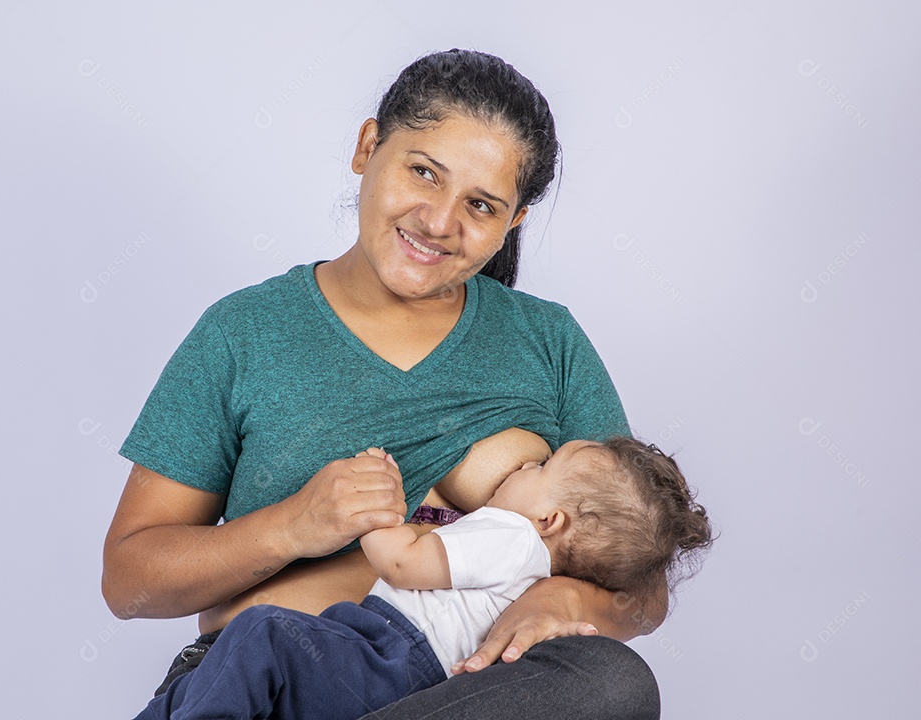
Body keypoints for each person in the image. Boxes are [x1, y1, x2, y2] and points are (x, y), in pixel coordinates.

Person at [104, 48, 670, 719]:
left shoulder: (548, 342)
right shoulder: (244, 332)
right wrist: (292, 526)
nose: (438, 222)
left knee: (614, 682)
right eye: (424, 172)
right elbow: (129, 582)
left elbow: (642, 575)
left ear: (513, 220)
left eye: (482, 205)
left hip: (466, 691)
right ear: (368, 146)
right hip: (273, 685)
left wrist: (574, 599)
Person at [128, 438, 713, 720]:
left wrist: (377, 507)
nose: (530, 465)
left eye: (541, 466)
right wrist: (292, 524)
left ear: (551, 520)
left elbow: (405, 563)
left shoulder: (511, 536)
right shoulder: (523, 542)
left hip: (386, 656)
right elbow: (127, 579)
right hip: (383, 670)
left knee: (264, 634)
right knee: (230, 663)